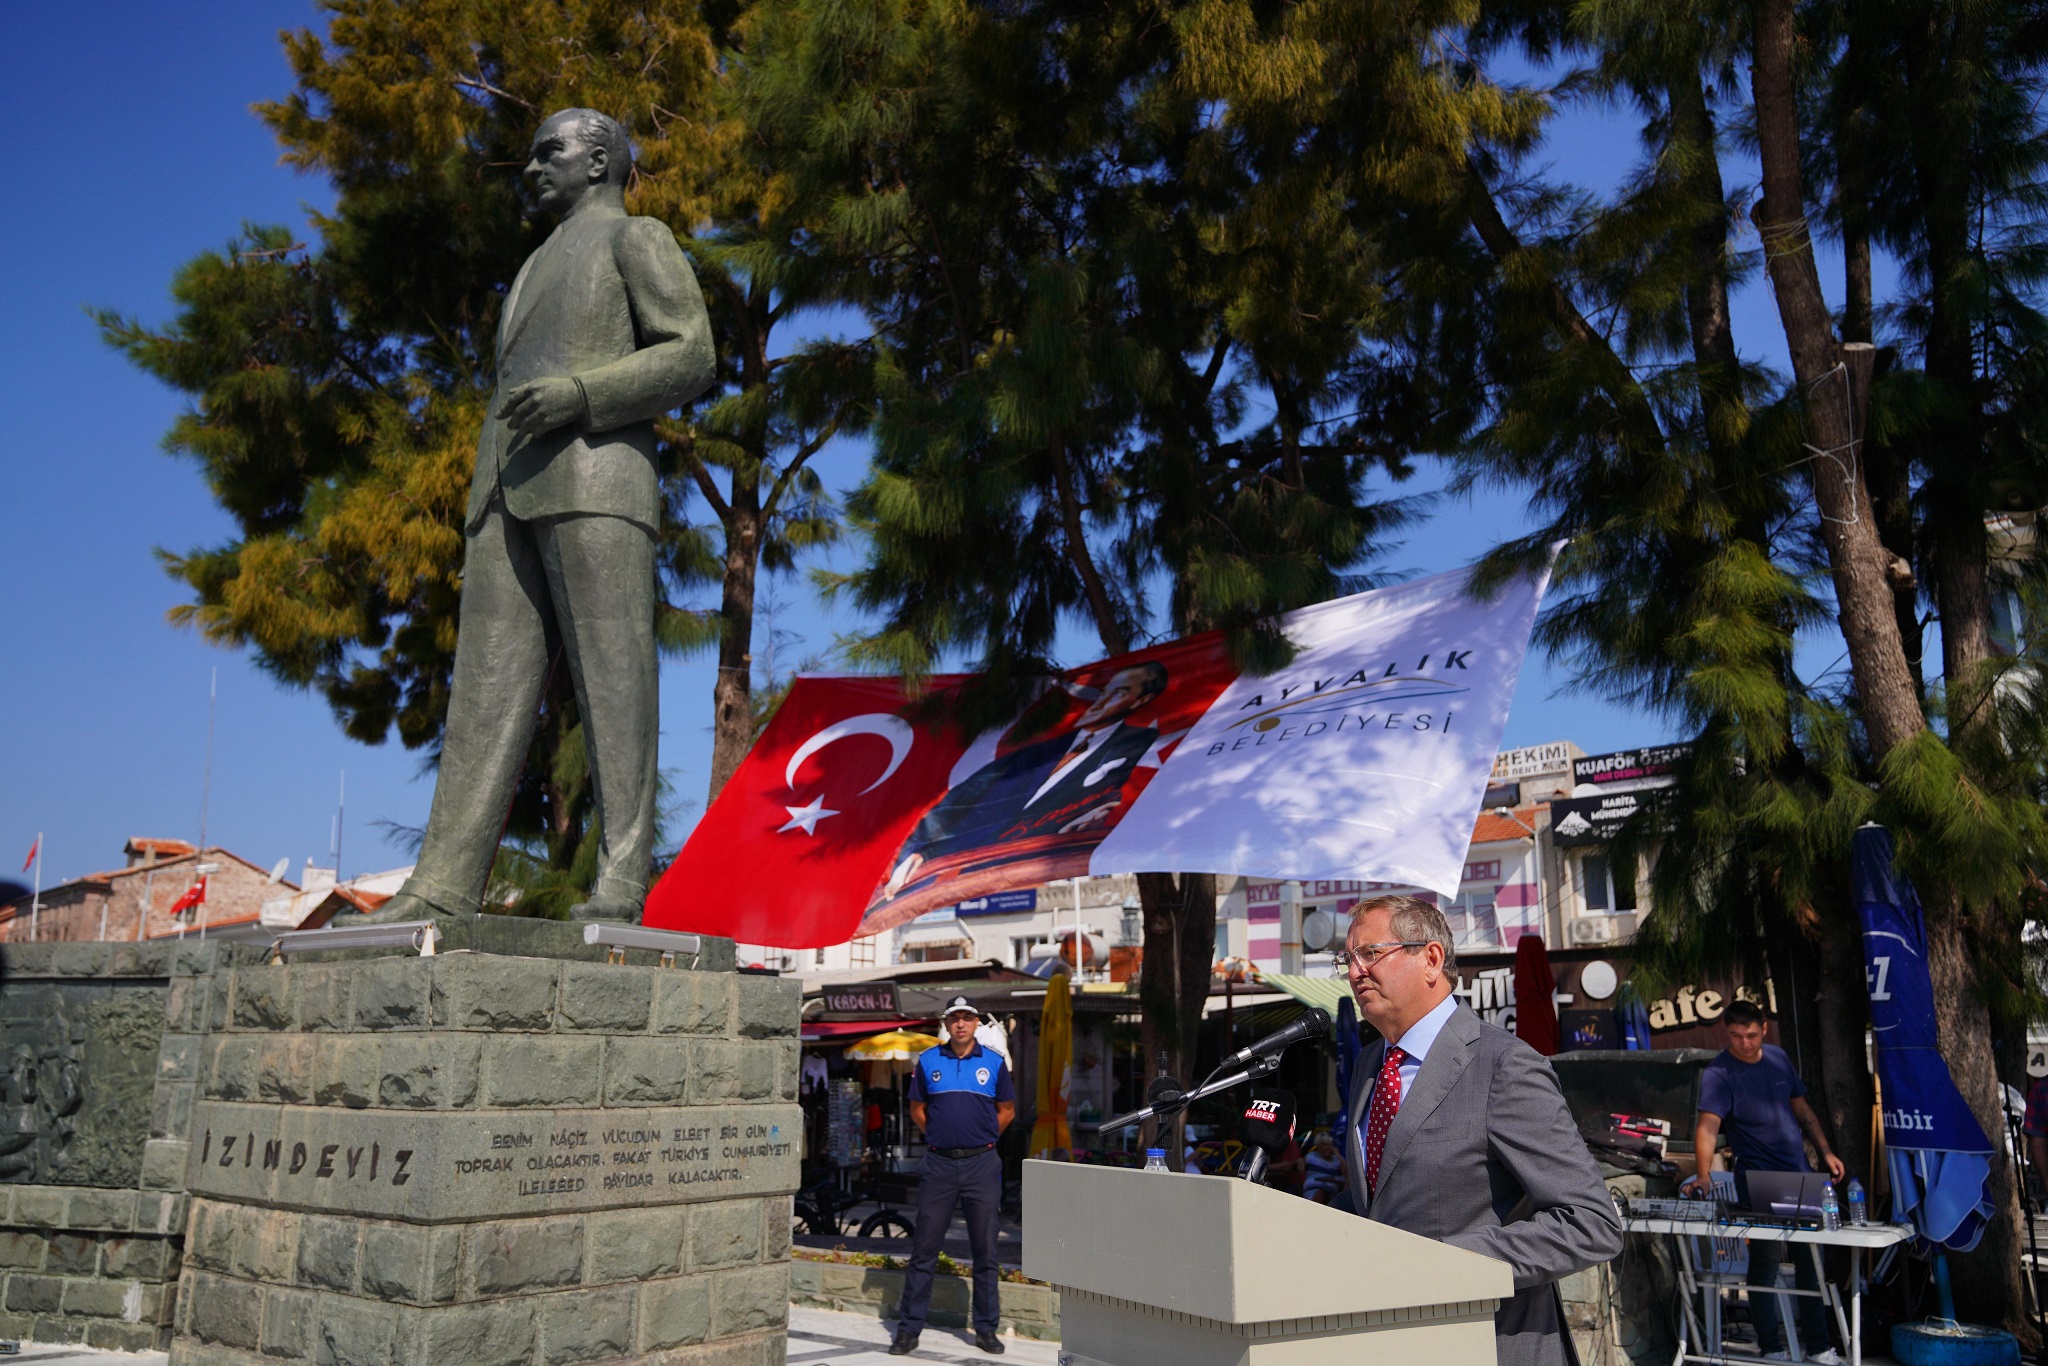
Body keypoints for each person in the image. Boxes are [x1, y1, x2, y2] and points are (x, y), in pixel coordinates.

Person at [381, 108, 715, 924]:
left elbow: (693, 352)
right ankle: (443, 883)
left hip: (597, 477)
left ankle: (624, 877)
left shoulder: (637, 239)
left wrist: (582, 394)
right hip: (504, 489)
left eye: (548, 151)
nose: (531, 167)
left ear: (599, 159)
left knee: (615, 678)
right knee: (484, 693)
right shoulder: (532, 264)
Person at [1340, 895, 1622, 1366]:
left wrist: (1445, 1263)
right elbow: (1382, 1201)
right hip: (1393, 1342)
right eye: (1347, 959)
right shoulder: (1371, 1063)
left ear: (1430, 959)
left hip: (1490, 1343)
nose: (1354, 972)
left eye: (1370, 954)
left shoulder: (1504, 1065)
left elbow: (1591, 1223)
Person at [879, 664, 1168, 900]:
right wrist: (913, 854)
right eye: (1103, 691)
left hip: (1032, 875)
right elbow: (955, 806)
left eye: (1118, 693)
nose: (1101, 700)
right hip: (967, 876)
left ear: (1141, 701)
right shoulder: (1035, 754)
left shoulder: (1140, 747)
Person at [1683, 1000, 1844, 1364]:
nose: (1744, 1043)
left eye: (1751, 1035)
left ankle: (1819, 1346)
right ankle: (1770, 1344)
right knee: (1767, 1260)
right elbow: (1707, 1127)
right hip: (1756, 1175)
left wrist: (1826, 1152)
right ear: (1727, 1032)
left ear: (1764, 1030)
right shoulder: (1719, 1073)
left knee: (1810, 1261)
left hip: (1800, 1172)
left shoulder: (1777, 1058)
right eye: (1736, 1036)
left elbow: (1803, 1111)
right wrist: (1704, 1173)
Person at [894, 998, 1017, 1356]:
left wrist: (984, 1137)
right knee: (924, 1249)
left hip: (982, 1164)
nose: (960, 1024)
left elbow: (1007, 1110)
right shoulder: (928, 1060)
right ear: (946, 1024)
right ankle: (908, 1330)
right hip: (939, 1165)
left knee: (986, 1250)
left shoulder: (994, 1063)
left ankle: (985, 1329)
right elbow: (917, 1107)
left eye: (966, 1018)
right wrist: (935, 1132)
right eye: (954, 1019)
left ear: (976, 1023)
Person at [1303, 1129, 1345, 1203]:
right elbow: (1297, 1165)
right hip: (1311, 1189)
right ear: (1318, 1146)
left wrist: (1338, 1154)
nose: (1329, 1147)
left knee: (1323, 1192)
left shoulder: (1337, 1160)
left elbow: (1347, 1173)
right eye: (1325, 1145)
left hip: (1330, 1190)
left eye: (1330, 1145)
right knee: (1320, 1192)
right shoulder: (1310, 1156)